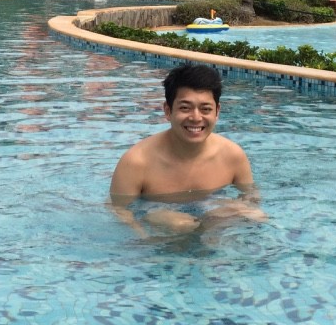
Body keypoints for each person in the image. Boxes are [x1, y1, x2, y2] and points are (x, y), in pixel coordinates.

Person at [109, 63, 265, 235]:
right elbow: (119, 211)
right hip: (159, 223)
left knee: (254, 216)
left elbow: (251, 197)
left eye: (205, 109)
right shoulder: (137, 162)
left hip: (211, 214)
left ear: (217, 112)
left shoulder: (232, 155)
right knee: (180, 225)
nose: (196, 118)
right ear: (168, 111)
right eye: (185, 108)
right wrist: (148, 223)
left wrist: (236, 210)